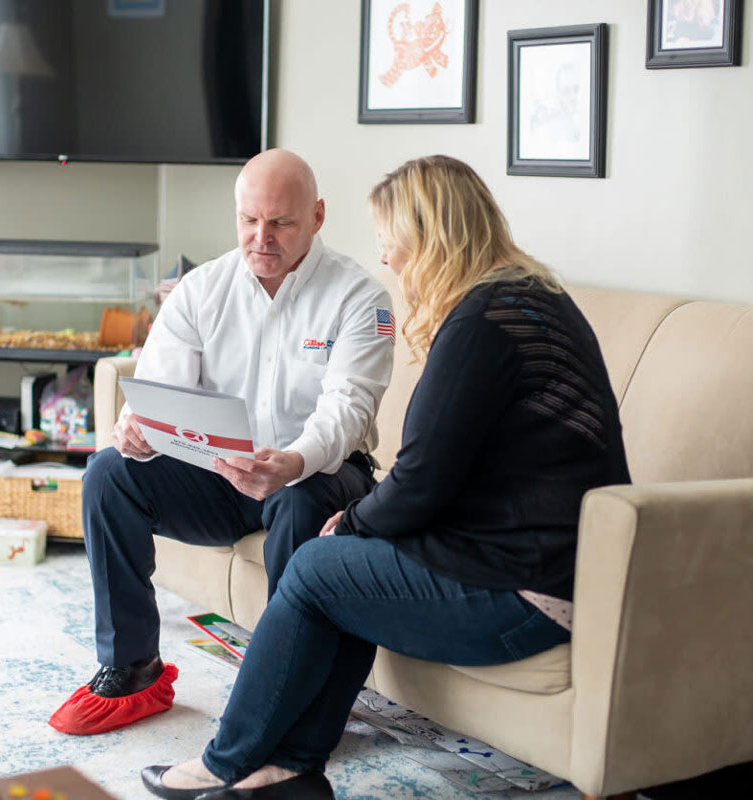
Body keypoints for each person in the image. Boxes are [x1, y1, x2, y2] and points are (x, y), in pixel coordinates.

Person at [138, 154, 632, 800]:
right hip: (538, 569)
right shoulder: (532, 299)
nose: (389, 260)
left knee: (317, 565)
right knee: (338, 560)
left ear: (431, 239)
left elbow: (422, 475)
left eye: (393, 243)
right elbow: (443, 472)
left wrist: (357, 520)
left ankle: (226, 761)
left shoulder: (483, 323)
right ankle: (291, 765)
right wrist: (363, 527)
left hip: (521, 593)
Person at [48, 149, 395, 736]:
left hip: (320, 473)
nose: (261, 238)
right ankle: (133, 670)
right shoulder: (201, 289)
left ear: (317, 216)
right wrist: (138, 430)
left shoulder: (360, 298)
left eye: (281, 222)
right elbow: (159, 391)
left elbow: (347, 408)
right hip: (219, 475)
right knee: (109, 472)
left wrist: (291, 462)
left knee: (297, 498)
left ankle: (295, 696)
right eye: (248, 220)